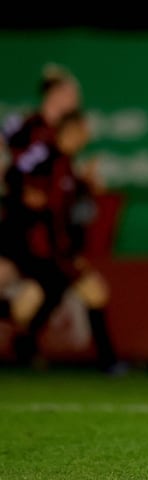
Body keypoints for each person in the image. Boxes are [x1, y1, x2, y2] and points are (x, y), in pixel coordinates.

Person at [2, 108, 123, 374]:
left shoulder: (66, 164)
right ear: (71, 131)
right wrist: (24, 195)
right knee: (91, 293)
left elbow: (64, 205)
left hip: (55, 250)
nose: (88, 135)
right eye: (84, 130)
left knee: (33, 302)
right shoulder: (45, 156)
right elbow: (14, 177)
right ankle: (109, 362)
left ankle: (28, 345)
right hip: (39, 249)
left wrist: (86, 184)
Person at [1, 63, 82, 327]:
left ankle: (25, 343)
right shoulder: (31, 129)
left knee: (35, 292)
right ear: (55, 94)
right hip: (17, 221)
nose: (77, 100)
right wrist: (20, 190)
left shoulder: (61, 139)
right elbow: (14, 170)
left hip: (40, 228)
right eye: (71, 93)